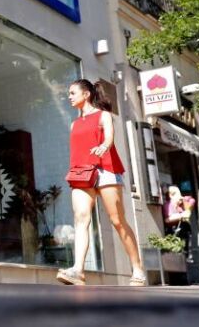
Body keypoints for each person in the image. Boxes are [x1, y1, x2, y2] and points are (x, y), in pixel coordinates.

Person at [56, 79, 146, 286]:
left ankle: (137, 268)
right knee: (81, 218)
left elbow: (109, 138)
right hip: (81, 173)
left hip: (106, 170)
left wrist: (104, 146)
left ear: (86, 94)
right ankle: (78, 270)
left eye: (72, 93)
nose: (69, 97)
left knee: (117, 221)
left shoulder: (103, 115)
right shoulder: (74, 123)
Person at [164, 185, 196, 255]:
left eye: (180, 194)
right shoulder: (168, 205)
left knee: (185, 251)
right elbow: (167, 219)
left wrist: (184, 199)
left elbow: (192, 200)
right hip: (175, 231)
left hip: (183, 232)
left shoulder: (180, 204)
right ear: (171, 196)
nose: (179, 196)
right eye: (177, 194)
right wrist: (181, 215)